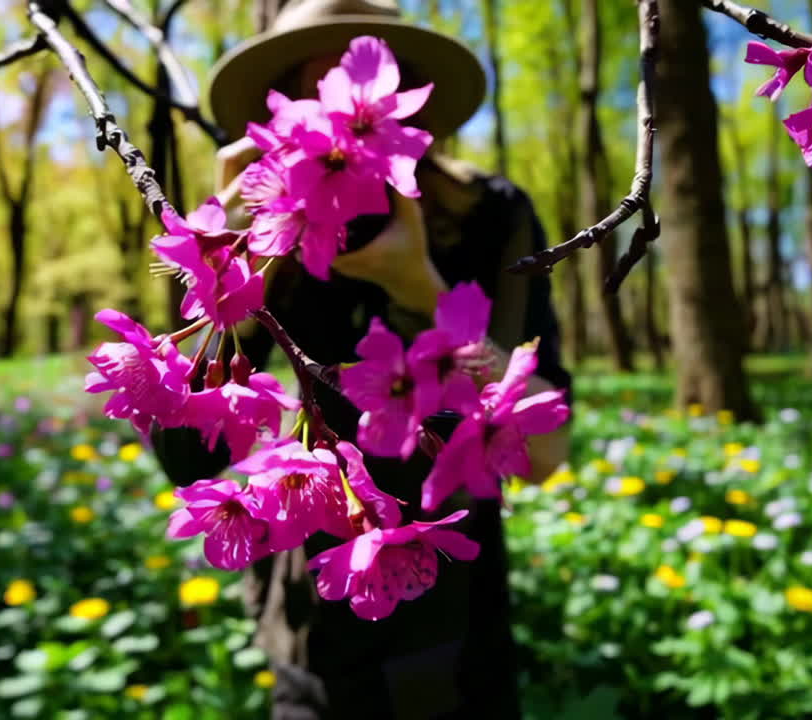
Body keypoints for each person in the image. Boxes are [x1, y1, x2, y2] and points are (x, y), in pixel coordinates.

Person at [152, 1, 572, 717]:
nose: (341, 136)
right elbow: (188, 459)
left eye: (360, 113)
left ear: (407, 120)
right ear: (281, 125)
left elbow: (547, 450)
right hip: (312, 625)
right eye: (317, 103)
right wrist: (234, 274)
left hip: (459, 626)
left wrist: (423, 290)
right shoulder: (262, 229)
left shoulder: (490, 212)